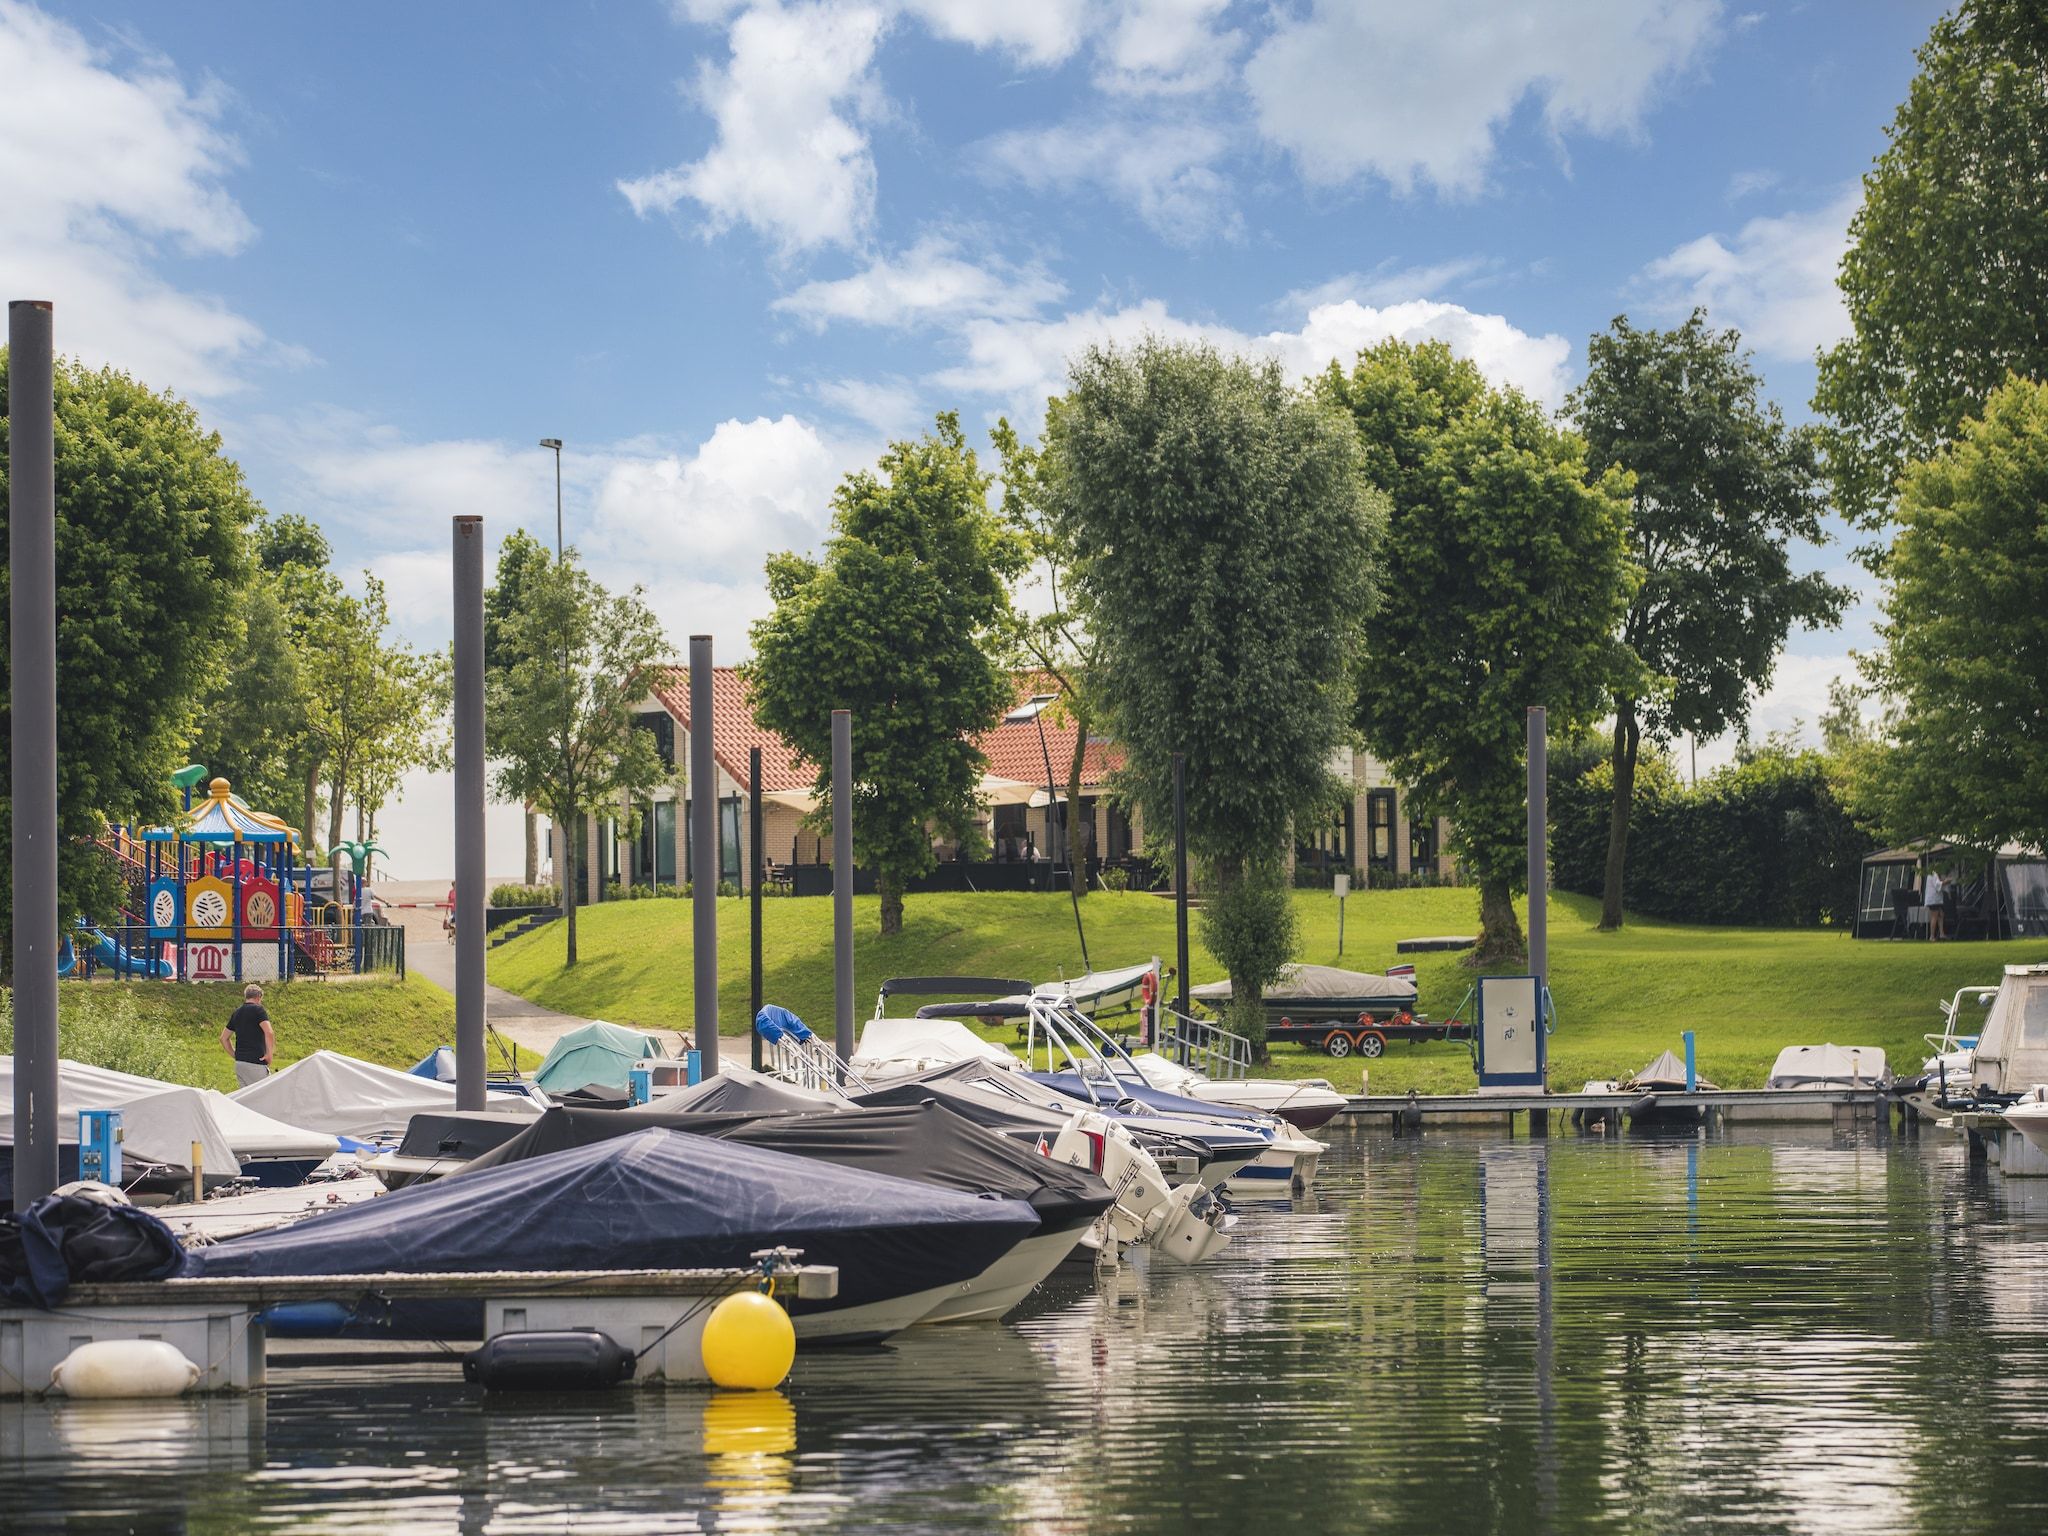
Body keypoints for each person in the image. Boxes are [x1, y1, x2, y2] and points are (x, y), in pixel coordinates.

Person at [221, 984, 276, 1086]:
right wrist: (269, 1054)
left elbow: (224, 1038)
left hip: (240, 1064)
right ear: (259, 997)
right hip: (255, 1062)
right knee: (265, 1095)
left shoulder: (237, 1013)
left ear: (246, 996)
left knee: (246, 1098)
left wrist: (235, 1054)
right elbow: (269, 1032)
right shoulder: (258, 1010)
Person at [1924, 865, 1946, 941]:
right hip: (1933, 900)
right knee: (1934, 917)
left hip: (1935, 900)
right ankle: (1932, 936)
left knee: (1941, 915)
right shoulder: (1933, 874)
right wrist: (1946, 882)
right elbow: (1937, 885)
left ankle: (1942, 934)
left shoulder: (1934, 875)